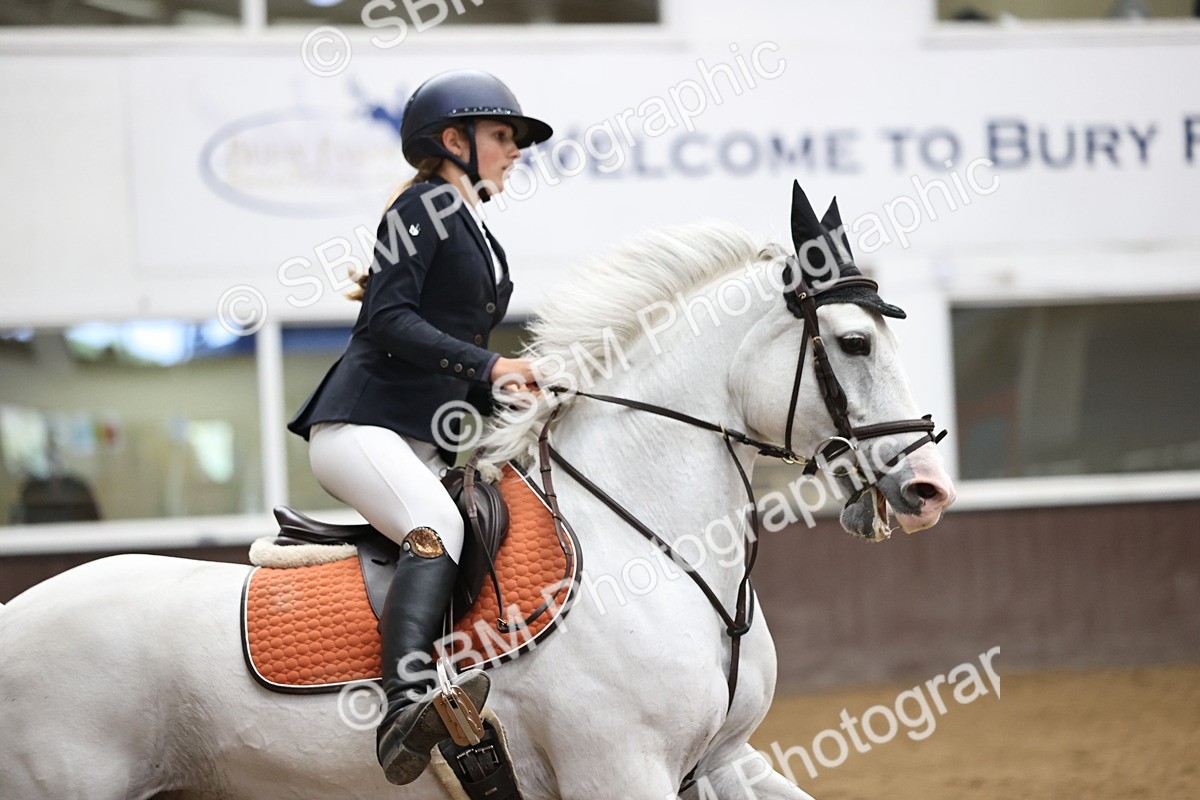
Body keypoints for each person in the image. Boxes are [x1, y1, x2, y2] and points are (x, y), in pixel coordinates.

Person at [286, 69, 551, 785]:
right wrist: (493, 367)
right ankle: (404, 707)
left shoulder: (473, 225)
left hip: (419, 438)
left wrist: (524, 398)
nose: (515, 147)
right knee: (438, 523)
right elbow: (389, 321)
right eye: (503, 135)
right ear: (451, 140)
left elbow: (454, 359)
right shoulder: (426, 205)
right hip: (362, 428)